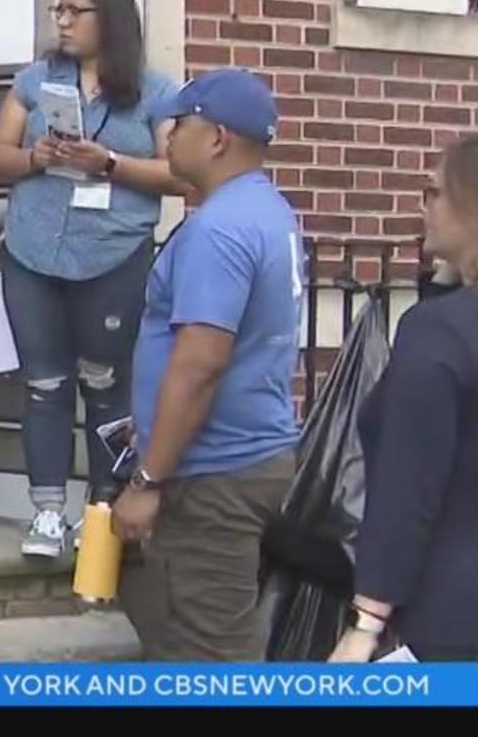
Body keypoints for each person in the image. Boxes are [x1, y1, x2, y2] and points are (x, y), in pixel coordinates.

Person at [0, 0, 183, 559]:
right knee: (43, 382)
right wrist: (35, 158)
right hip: (33, 249)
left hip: (113, 255)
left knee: (106, 384)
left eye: (75, 11)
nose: (63, 22)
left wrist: (111, 163)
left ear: (110, 19)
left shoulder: (156, 92)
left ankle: (102, 516)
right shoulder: (36, 81)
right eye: (58, 12)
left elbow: (179, 174)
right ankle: (47, 513)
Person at [329, 131, 478, 663]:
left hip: (457, 617)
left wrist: (366, 624)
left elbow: (409, 486)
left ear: (477, 209)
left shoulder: (439, 332)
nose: (423, 206)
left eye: (435, 192)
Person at [112, 67, 302, 661]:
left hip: (213, 476)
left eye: (180, 123)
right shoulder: (268, 210)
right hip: (248, 457)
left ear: (218, 138)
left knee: (210, 659)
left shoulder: (219, 229)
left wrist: (149, 480)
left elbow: (200, 365)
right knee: (165, 612)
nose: (165, 134)